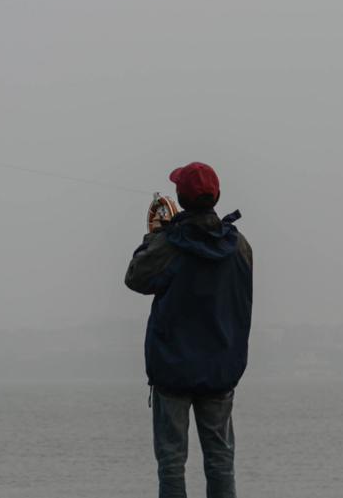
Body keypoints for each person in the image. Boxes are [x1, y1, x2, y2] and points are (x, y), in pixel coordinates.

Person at [124, 162, 253, 498]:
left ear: (180, 197)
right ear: (217, 197)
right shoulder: (240, 247)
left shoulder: (169, 245)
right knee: (221, 461)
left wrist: (154, 235)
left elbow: (135, 277)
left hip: (172, 370)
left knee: (171, 463)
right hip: (220, 369)